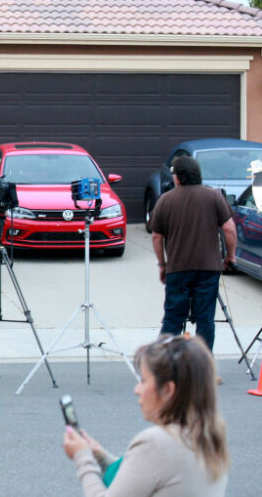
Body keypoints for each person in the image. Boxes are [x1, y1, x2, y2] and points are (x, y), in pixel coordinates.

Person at [62, 334, 229, 495]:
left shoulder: (155, 443)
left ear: (167, 390)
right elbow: (141, 481)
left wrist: (82, 457)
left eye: (143, 381)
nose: (137, 390)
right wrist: (100, 457)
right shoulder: (208, 436)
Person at [149, 155, 236, 353]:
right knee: (205, 320)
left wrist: (162, 265)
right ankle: (203, 368)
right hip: (208, 269)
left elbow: (156, 236)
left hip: (178, 269)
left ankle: (165, 366)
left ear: (177, 177)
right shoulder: (214, 196)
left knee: (173, 319)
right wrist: (230, 257)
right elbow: (229, 229)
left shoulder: (166, 200)